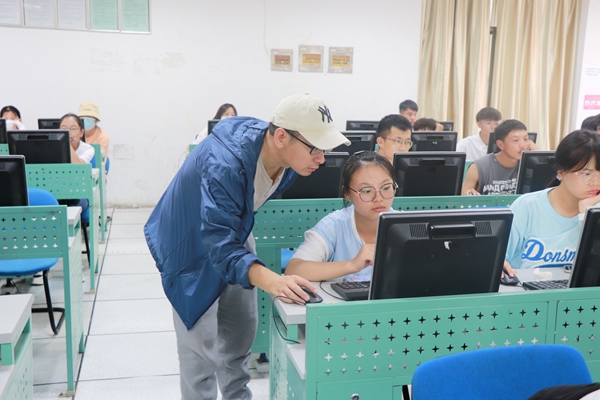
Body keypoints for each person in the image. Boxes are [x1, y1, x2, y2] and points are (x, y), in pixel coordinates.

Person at [144, 93, 350, 400]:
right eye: (315, 149)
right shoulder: (224, 164)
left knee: (240, 331)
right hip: (188, 242)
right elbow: (218, 242)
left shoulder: (286, 159)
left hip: (230, 230)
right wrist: (274, 281)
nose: (321, 159)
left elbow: (227, 232)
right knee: (200, 348)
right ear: (282, 137)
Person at [285, 151, 396, 282]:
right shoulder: (334, 226)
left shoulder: (407, 225)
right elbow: (293, 270)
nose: (378, 198)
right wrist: (352, 265)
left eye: (386, 188)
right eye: (366, 191)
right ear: (347, 194)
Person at [503, 130, 600, 277]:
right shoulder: (527, 206)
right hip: (526, 290)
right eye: (587, 174)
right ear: (561, 173)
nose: (596, 182)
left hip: (578, 292)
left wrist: (586, 216)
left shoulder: (596, 210)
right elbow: (498, 260)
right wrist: (499, 264)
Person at [462, 119, 529, 195]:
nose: (523, 145)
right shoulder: (478, 167)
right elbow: (464, 197)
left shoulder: (529, 166)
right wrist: (469, 194)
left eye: (525, 139)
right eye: (515, 140)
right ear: (500, 144)